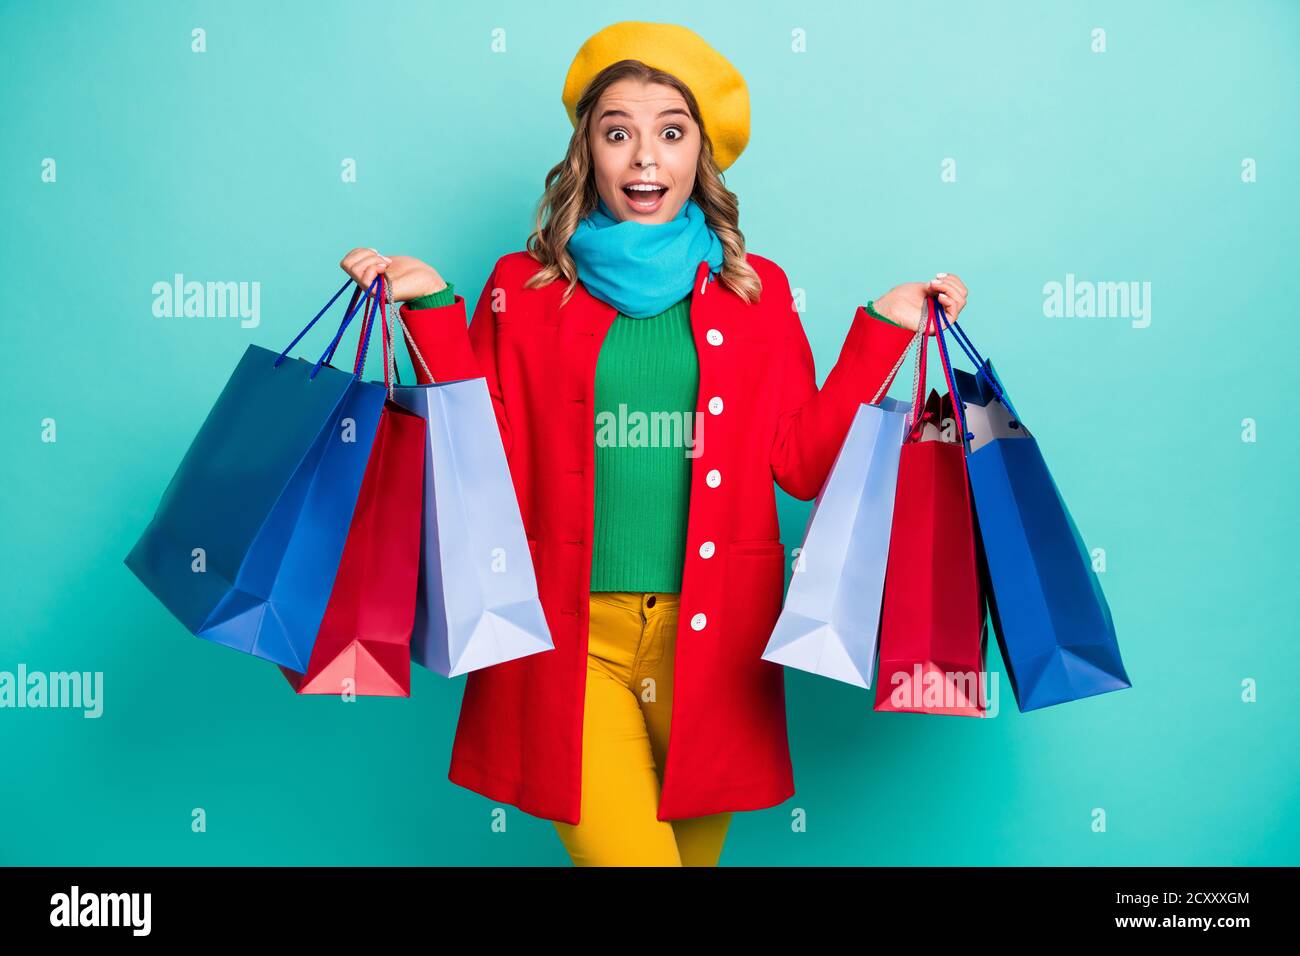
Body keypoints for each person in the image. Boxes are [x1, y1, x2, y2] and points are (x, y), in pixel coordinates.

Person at [338, 21, 969, 866]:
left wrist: (882, 334)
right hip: (569, 640)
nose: (645, 157)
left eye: (671, 132)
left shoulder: (756, 290)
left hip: (716, 647)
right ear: (587, 152)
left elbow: (803, 464)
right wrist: (430, 311)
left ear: (699, 156)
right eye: (618, 131)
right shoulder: (520, 290)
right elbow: (476, 458)